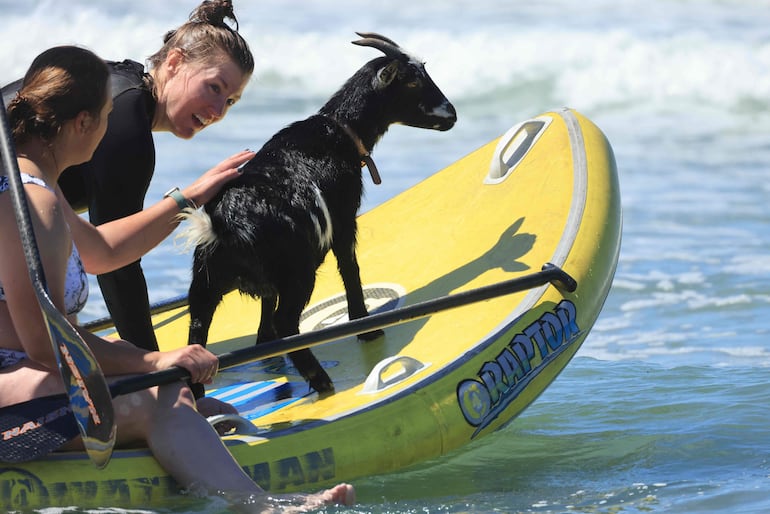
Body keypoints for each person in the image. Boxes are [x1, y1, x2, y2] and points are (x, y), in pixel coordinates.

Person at [0, 46, 355, 509]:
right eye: (108, 114)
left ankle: (196, 440)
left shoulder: (33, 184)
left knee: (168, 386)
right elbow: (46, 346)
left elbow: (102, 251)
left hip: (20, 374)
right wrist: (153, 364)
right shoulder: (34, 202)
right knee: (157, 395)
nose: (110, 126)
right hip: (14, 389)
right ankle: (263, 506)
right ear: (83, 123)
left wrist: (189, 198)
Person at [2, 0, 255, 353]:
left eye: (230, 102)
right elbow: (114, 266)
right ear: (175, 62)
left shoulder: (119, 91)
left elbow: (98, 250)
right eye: (214, 87)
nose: (217, 112)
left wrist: (189, 197)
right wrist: (155, 373)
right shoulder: (125, 122)